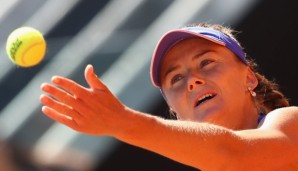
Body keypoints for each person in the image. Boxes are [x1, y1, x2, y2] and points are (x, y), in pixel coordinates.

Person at [40, 23, 298, 170]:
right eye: (176, 78)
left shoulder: (290, 122)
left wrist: (122, 122)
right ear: (176, 113)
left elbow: (231, 153)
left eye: (206, 62)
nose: (192, 80)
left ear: (249, 78)